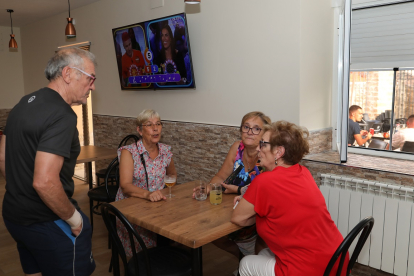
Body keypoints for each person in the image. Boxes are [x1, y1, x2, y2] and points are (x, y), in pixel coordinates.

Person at [0, 48, 97, 276]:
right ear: (68, 74)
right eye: (90, 78)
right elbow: (44, 182)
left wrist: (22, 188)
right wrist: (74, 221)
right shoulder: (62, 114)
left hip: (14, 216)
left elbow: (2, 156)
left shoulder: (23, 103)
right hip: (46, 221)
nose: (92, 86)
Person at [231, 121, 348, 276]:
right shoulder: (303, 172)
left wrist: (254, 210)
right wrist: (256, 206)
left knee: (245, 264)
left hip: (309, 270)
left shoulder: (265, 181)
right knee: (261, 255)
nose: (258, 148)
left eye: (263, 144)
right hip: (336, 260)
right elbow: (285, 208)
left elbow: (238, 218)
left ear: (279, 152)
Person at [195, 111, 271, 259]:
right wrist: (210, 187)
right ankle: (241, 256)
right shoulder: (237, 148)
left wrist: (237, 189)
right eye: (246, 127)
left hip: (257, 217)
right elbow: (221, 176)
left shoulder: (267, 156)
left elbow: (264, 195)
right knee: (209, 231)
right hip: (234, 211)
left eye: (256, 129)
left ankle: (252, 261)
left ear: (265, 134)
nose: (250, 132)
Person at [115, 109, 177, 256]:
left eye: (158, 124)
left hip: (158, 206)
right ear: (140, 130)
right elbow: (125, 186)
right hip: (131, 208)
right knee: (144, 254)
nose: (155, 128)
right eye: (149, 125)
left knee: (174, 232)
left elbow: (172, 174)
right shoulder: (128, 152)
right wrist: (148, 195)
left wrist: (167, 186)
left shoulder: (166, 151)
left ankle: (162, 261)